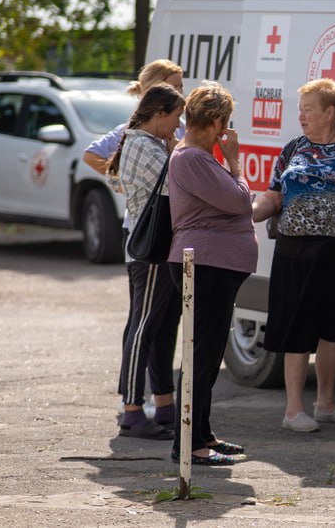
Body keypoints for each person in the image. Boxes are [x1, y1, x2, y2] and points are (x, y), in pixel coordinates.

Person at [251, 78, 335, 433]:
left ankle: (325, 403)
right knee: (296, 328)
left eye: (309, 109)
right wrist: (248, 211)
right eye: (301, 109)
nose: (302, 116)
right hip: (294, 251)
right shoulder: (294, 148)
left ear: (330, 112)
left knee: (332, 330)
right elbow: (274, 194)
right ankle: (294, 410)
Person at [167, 81, 256, 466]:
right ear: (218, 121)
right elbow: (239, 201)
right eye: (227, 122)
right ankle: (188, 446)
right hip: (204, 264)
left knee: (208, 353)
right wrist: (235, 161)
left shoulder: (200, 157)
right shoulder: (192, 159)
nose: (227, 130)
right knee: (200, 354)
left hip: (214, 264)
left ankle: (202, 433)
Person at [106, 83, 184, 439]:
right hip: (149, 251)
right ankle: (133, 409)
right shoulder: (141, 144)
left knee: (163, 326)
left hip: (159, 249)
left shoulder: (150, 143)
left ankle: (165, 404)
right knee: (143, 328)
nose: (178, 125)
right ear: (159, 114)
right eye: (176, 117)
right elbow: (180, 183)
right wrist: (178, 150)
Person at [84, 59, 184, 176]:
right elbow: (90, 155)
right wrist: (117, 181)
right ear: (153, 91)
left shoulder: (183, 127)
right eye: (173, 87)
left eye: (181, 86)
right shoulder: (133, 130)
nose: (179, 92)